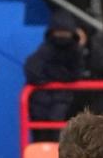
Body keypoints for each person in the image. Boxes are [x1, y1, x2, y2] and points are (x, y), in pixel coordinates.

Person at [22, 12, 82, 147]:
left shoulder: (75, 52)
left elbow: (76, 74)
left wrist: (51, 76)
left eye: (65, 33)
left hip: (60, 107)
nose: (62, 37)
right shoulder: (44, 51)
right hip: (40, 108)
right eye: (59, 32)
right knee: (42, 146)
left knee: (60, 145)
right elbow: (32, 71)